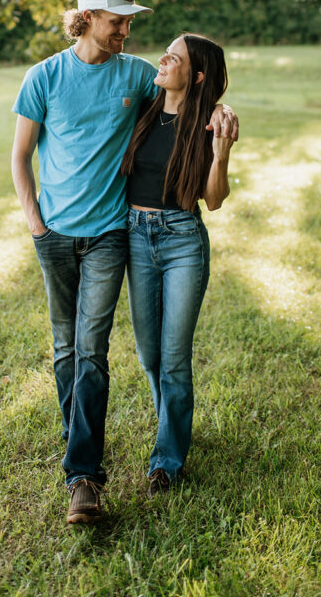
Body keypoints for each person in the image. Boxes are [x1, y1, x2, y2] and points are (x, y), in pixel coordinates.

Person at [11, 0, 238, 525]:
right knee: (79, 349)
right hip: (72, 234)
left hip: (127, 236)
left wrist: (220, 132)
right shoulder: (48, 78)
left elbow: (195, 99)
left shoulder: (141, 79)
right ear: (88, 18)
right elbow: (20, 157)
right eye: (119, 22)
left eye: (131, 24)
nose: (128, 33)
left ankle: (103, 471)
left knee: (105, 351)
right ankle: (79, 431)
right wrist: (36, 225)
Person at [121, 33, 234, 495]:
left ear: (198, 75)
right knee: (149, 355)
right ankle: (174, 424)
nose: (163, 58)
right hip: (134, 236)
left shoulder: (208, 125)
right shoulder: (144, 110)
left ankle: (166, 459)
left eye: (176, 57)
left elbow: (213, 200)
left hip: (182, 241)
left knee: (173, 359)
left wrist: (221, 154)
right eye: (166, 50)